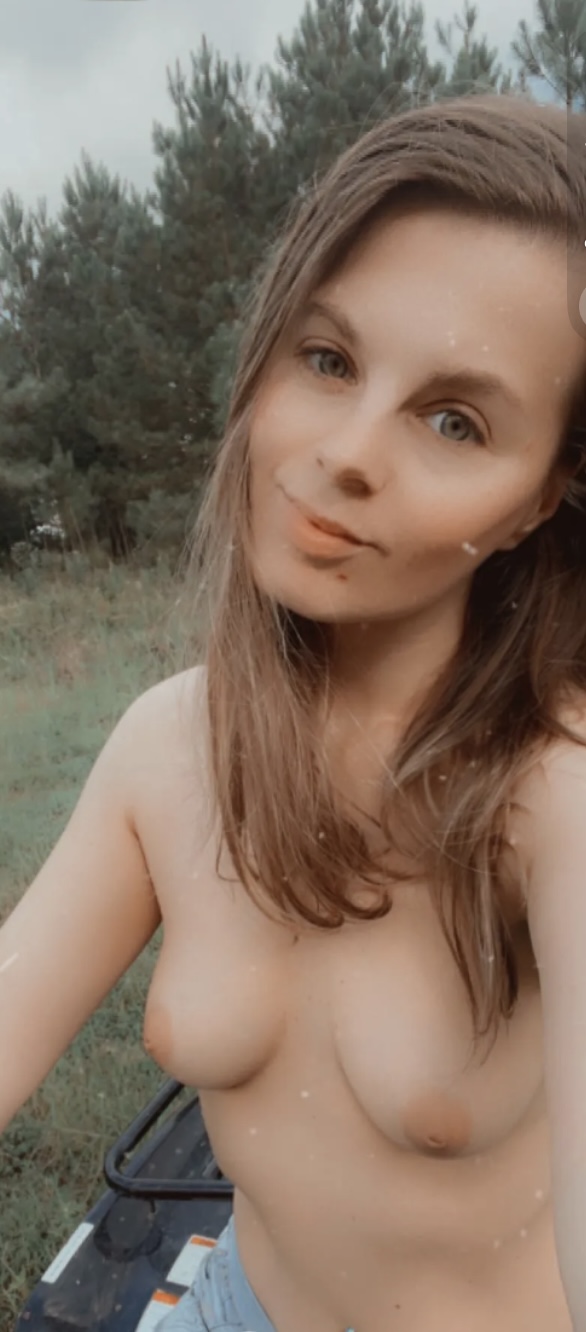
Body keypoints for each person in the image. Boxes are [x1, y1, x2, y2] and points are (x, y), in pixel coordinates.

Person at [3, 90, 586, 1332]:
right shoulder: (168, 746)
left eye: (454, 420)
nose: (349, 451)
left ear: (541, 500)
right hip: (231, 1305)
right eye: (327, 359)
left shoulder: (557, 794)